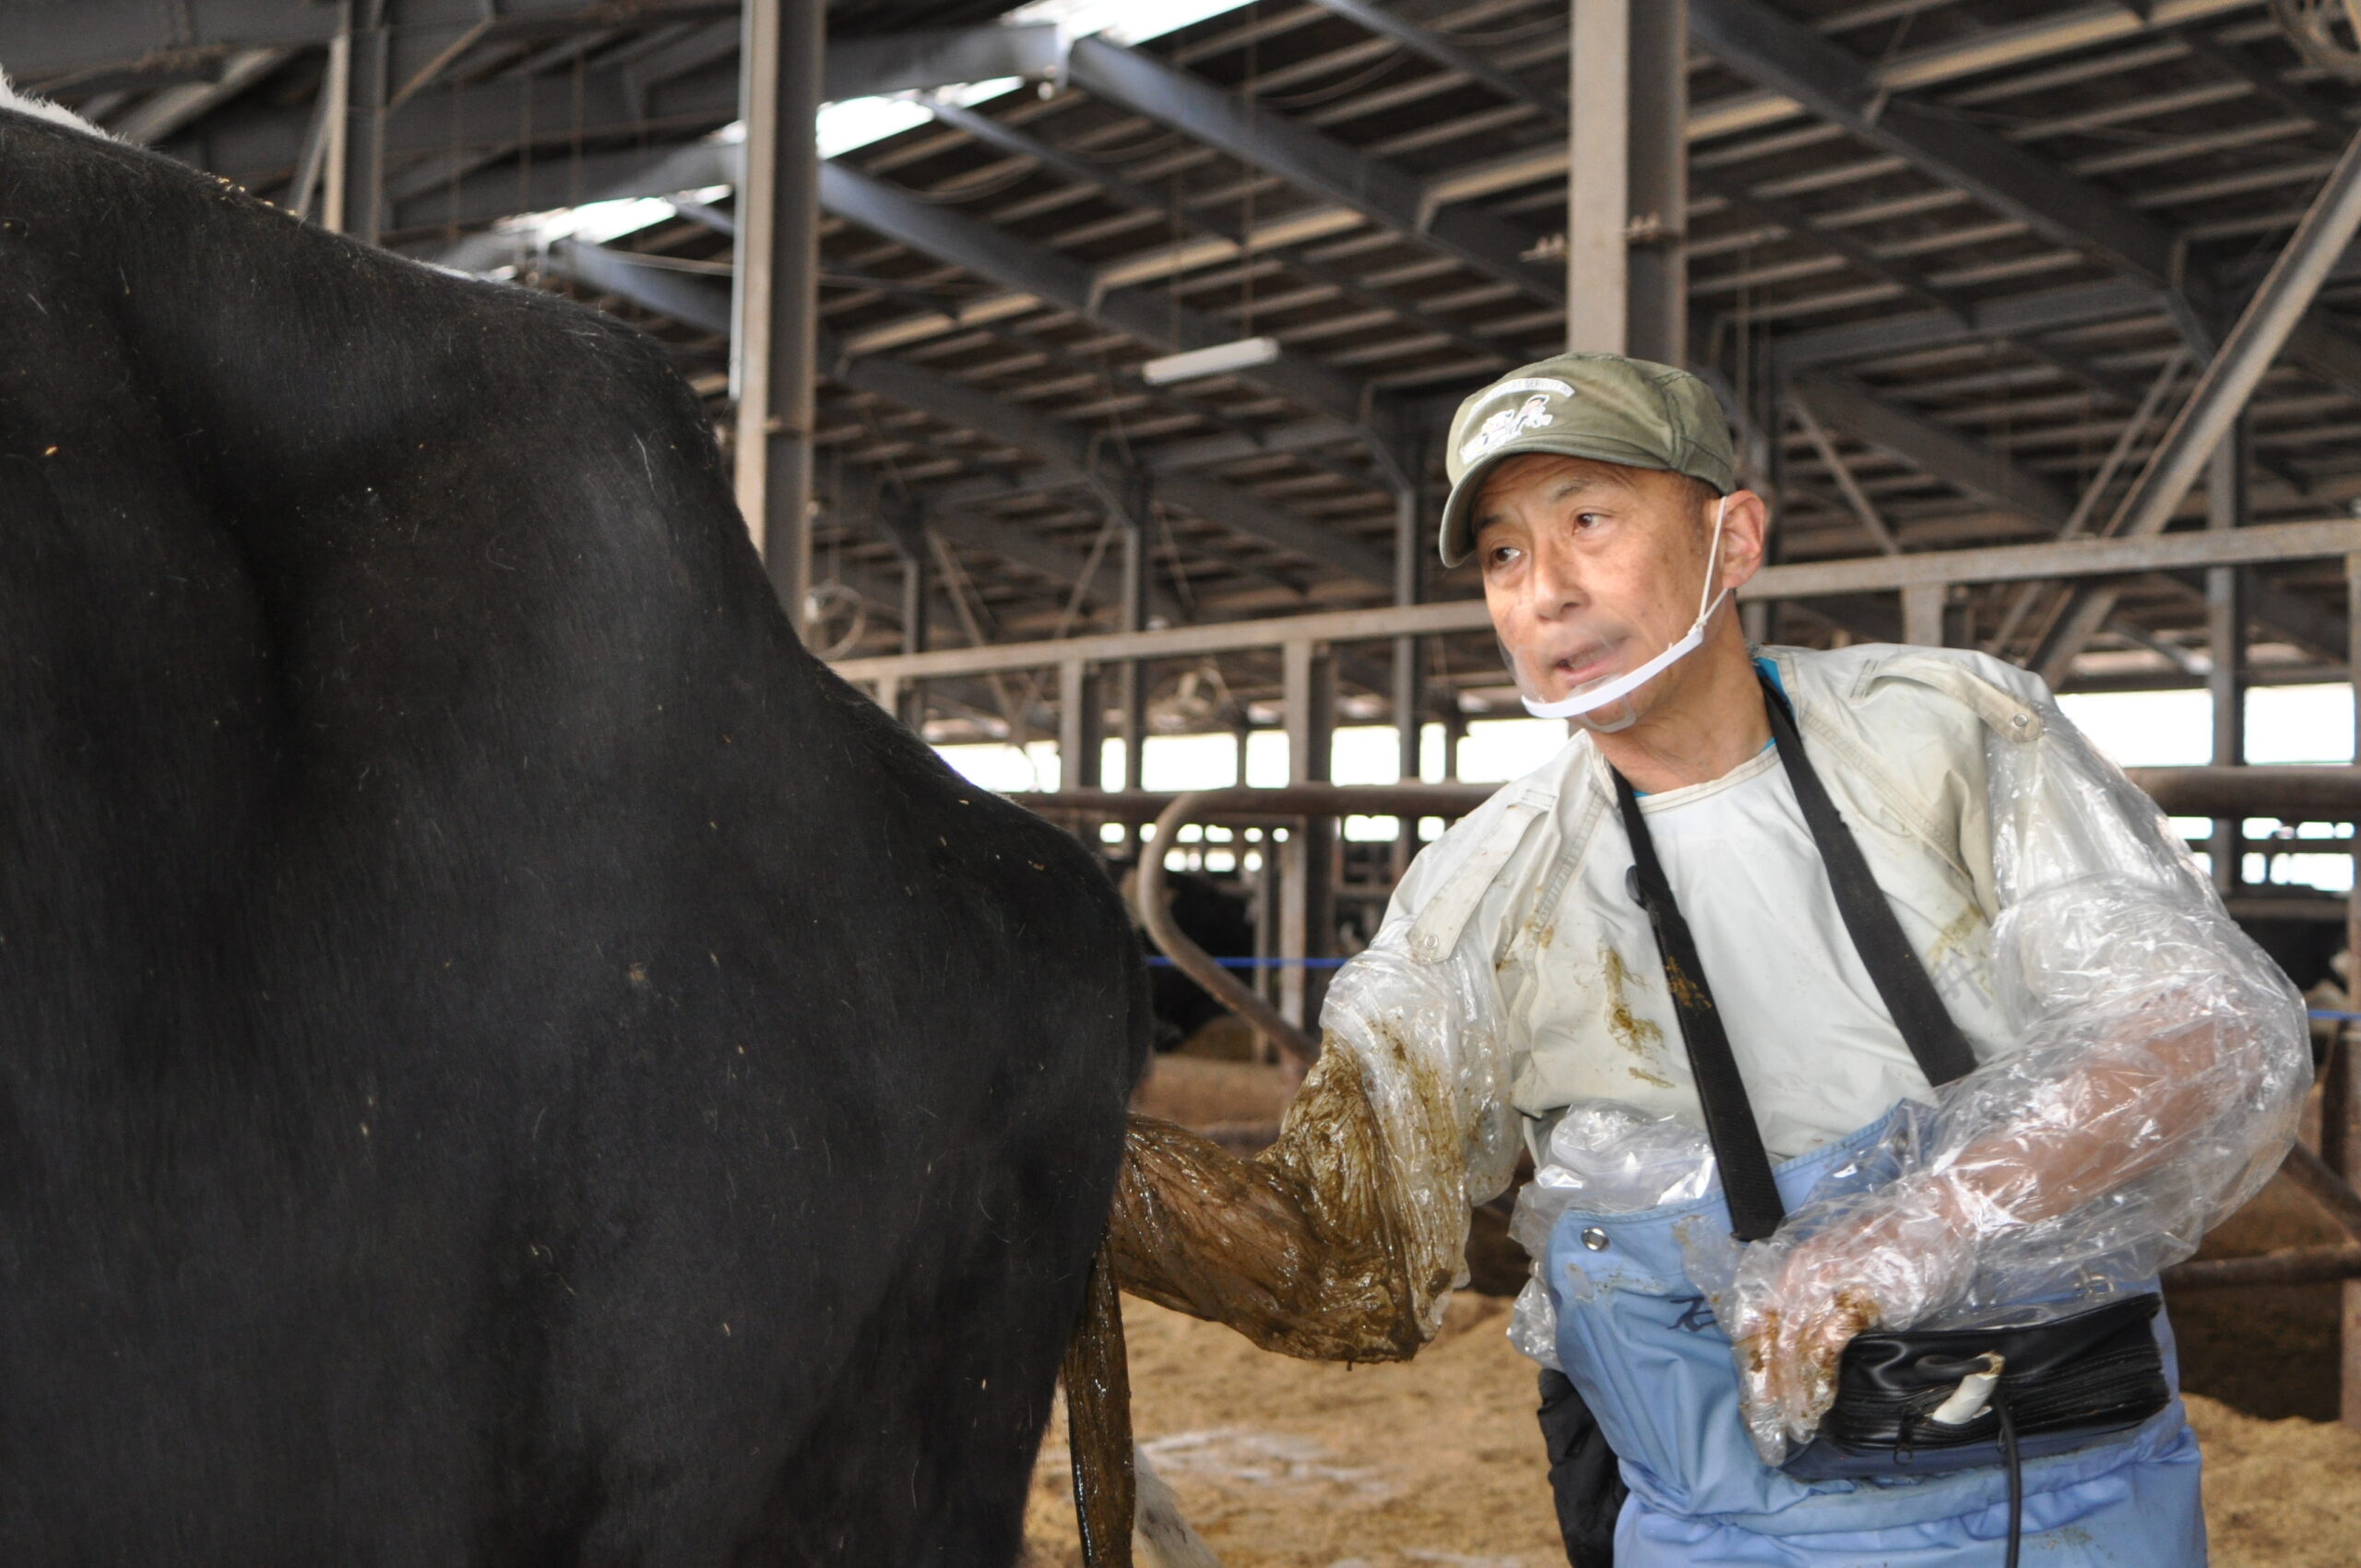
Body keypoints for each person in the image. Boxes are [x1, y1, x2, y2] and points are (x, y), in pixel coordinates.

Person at [1111, 352, 2312, 1566]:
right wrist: (1080, 1170)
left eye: (1589, 522)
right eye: (1504, 555)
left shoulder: (1943, 730)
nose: (1547, 591)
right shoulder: (1473, 896)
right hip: (1708, 1533)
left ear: (1731, 539)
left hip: (2058, 1508)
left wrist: (1931, 1221)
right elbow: (1342, 1252)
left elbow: (2202, 1028)